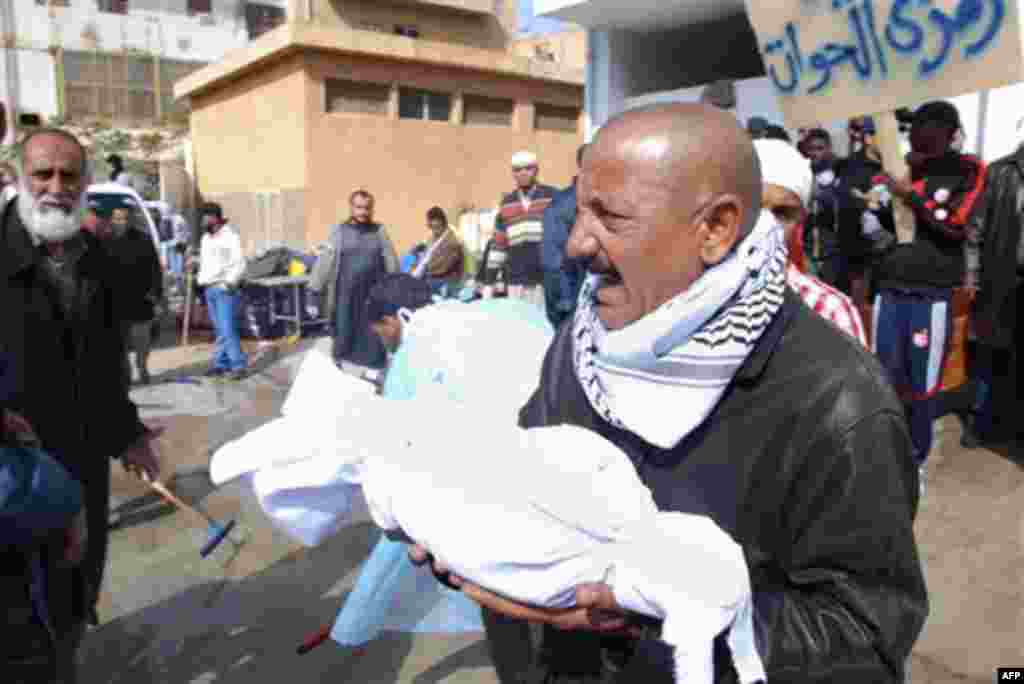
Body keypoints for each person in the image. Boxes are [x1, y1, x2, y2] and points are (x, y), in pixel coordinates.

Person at [411, 104, 926, 683]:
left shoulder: (837, 403)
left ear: (714, 229)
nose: (577, 244)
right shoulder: (579, 346)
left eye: (609, 217)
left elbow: (865, 637)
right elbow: (530, 479)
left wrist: (659, 620)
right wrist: (453, 515)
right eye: (580, 211)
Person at [0, 128, 161, 679]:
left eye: (69, 175)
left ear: (86, 183)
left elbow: (102, 365)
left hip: (82, 459)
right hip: (13, 467)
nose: (56, 187)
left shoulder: (99, 258)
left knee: (76, 582)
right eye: (43, 174)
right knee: (20, 608)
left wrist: (129, 433)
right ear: (20, 177)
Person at [874, 101, 986, 475]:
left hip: (929, 293)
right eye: (916, 129)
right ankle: (887, 451)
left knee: (922, 382)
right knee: (885, 377)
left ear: (952, 134)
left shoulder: (967, 169)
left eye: (931, 130)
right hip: (889, 288)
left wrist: (910, 196)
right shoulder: (901, 167)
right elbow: (888, 224)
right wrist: (876, 208)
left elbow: (955, 224)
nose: (920, 138)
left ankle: (917, 457)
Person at [754, 138, 868, 346]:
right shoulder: (692, 301)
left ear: (799, 221)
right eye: (755, 209)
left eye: (781, 214)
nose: (766, 225)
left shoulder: (827, 310)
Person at [962, 121, 1024, 447]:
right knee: (989, 353)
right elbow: (975, 230)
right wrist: (972, 276)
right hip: (1001, 278)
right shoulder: (1001, 172)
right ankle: (979, 422)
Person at [308, 189, 399, 371]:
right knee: (344, 338)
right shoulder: (339, 231)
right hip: (345, 299)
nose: (363, 212)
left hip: (372, 299)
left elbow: (392, 262)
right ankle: (343, 371)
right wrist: (313, 293)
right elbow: (324, 262)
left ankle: (372, 372)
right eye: (359, 207)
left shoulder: (379, 231)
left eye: (367, 208)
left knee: (373, 340)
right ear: (351, 207)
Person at [104, 205, 164, 386]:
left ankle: (142, 366)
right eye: (116, 218)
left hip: (141, 298)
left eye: (123, 218)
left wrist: (155, 294)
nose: (120, 222)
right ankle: (125, 373)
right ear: (112, 220)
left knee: (142, 340)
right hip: (114, 300)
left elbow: (155, 269)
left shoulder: (143, 239)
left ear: (130, 220)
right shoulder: (105, 240)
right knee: (119, 342)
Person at [491, 151, 558, 308]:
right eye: (517, 169)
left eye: (528, 168)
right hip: (515, 280)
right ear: (512, 173)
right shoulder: (506, 204)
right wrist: (490, 280)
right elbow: (499, 243)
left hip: (545, 279)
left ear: (536, 170)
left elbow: (562, 237)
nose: (522, 173)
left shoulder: (552, 197)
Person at [194, 202, 248, 380]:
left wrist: (228, 283)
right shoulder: (205, 239)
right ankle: (221, 364)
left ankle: (238, 365)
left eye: (204, 216)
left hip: (224, 290)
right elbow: (208, 264)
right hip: (209, 289)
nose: (202, 220)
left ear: (214, 218)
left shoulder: (230, 237)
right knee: (219, 330)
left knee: (227, 329)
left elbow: (239, 263)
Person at [541, 145, 587, 328]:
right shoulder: (563, 204)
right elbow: (553, 257)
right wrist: (564, 299)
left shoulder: (619, 199)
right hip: (573, 301)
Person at [413, 206, 464, 294]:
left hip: (444, 281)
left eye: (435, 226)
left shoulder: (452, 242)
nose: (432, 229)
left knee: (416, 288)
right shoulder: (433, 239)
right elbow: (423, 259)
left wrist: (424, 267)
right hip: (431, 278)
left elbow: (442, 268)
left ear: (442, 222)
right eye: (431, 226)